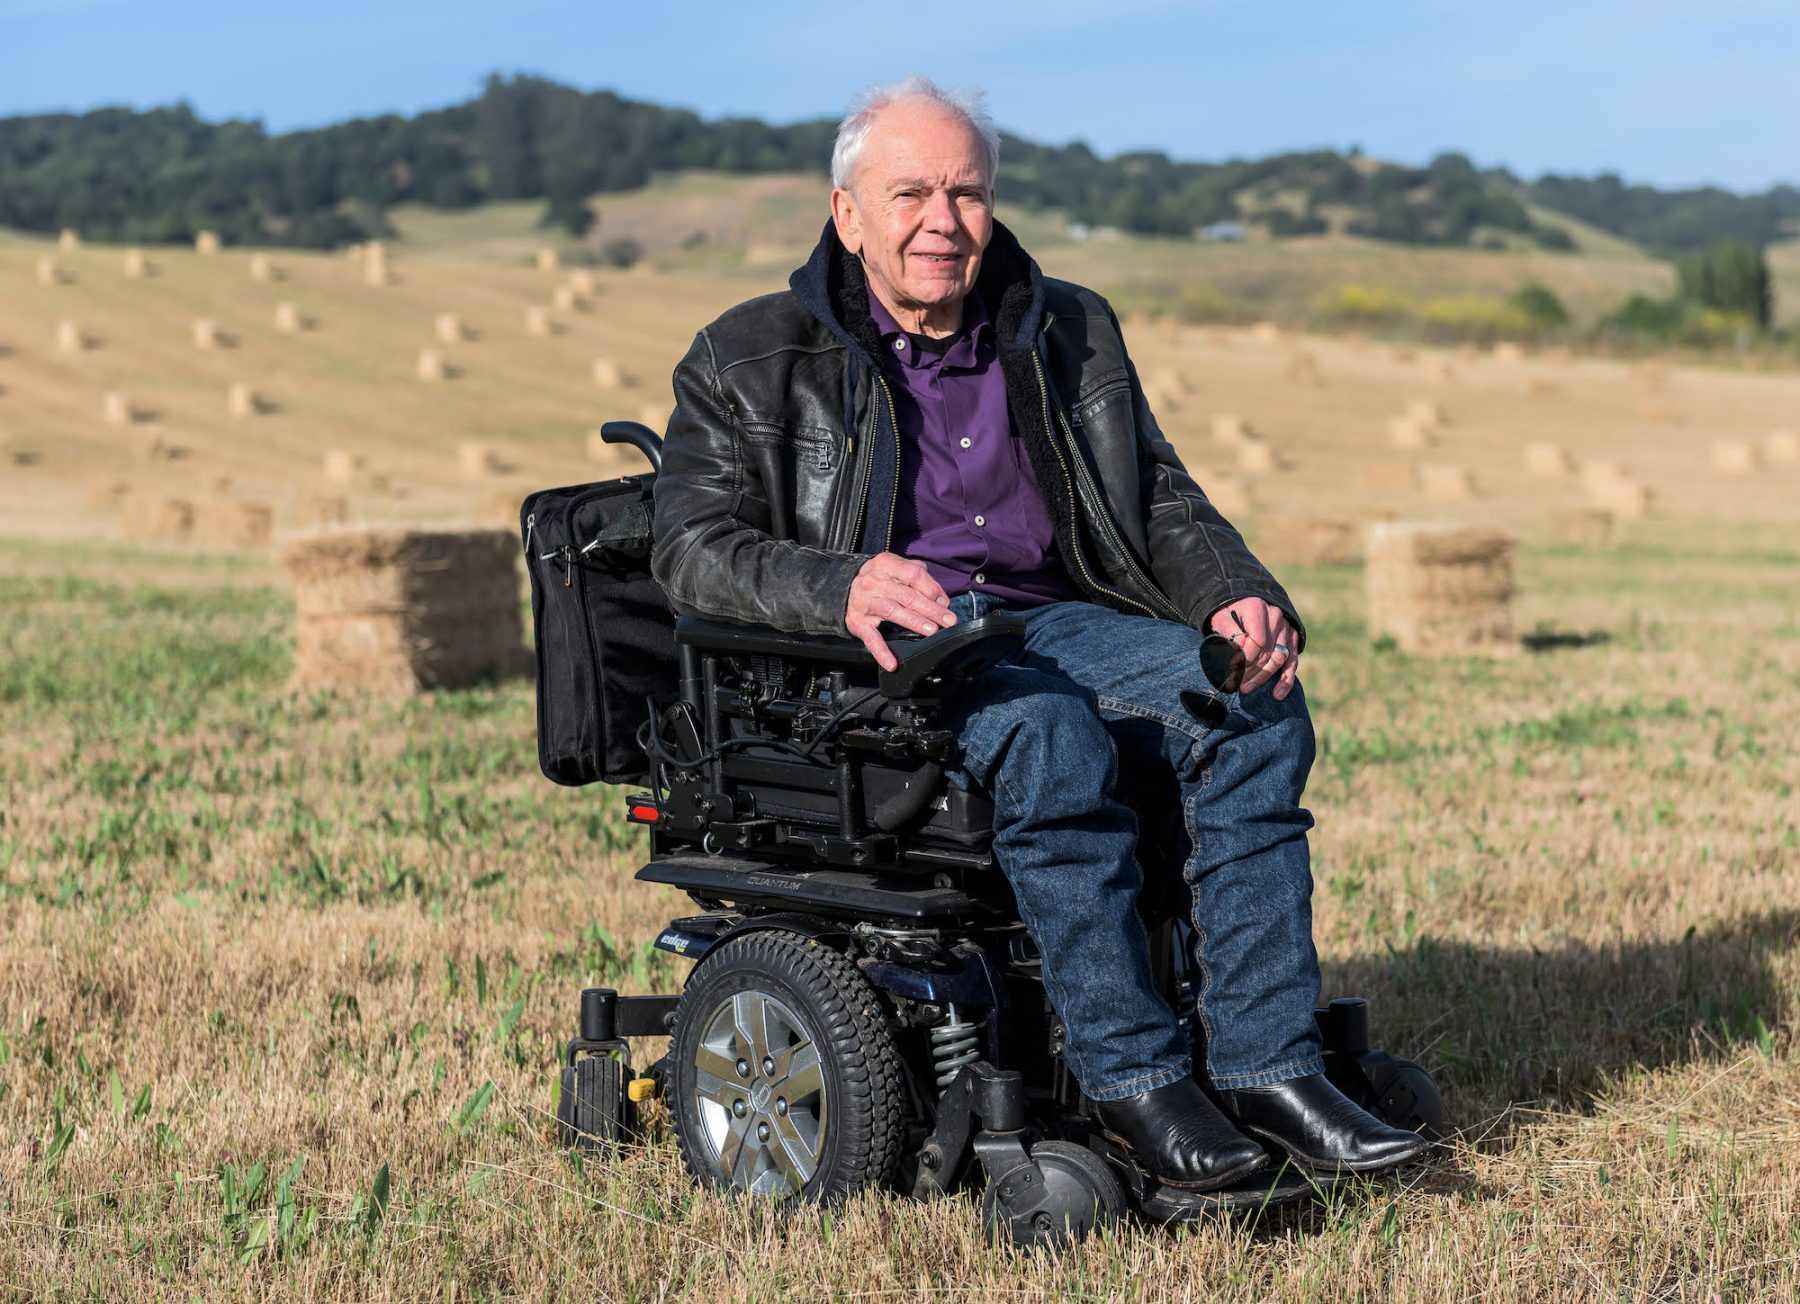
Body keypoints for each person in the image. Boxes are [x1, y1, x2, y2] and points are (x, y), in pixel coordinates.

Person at [651, 76, 1426, 1190]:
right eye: (910, 191)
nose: (943, 219)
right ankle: (1132, 1081)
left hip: (1062, 618)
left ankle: (1266, 1063)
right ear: (847, 212)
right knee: (1048, 732)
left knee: (1253, 698)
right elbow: (688, 546)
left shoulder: (1067, 324)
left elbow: (1155, 494)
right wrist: (844, 582)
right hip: (890, 658)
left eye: (966, 191)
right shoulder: (746, 355)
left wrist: (1234, 593)